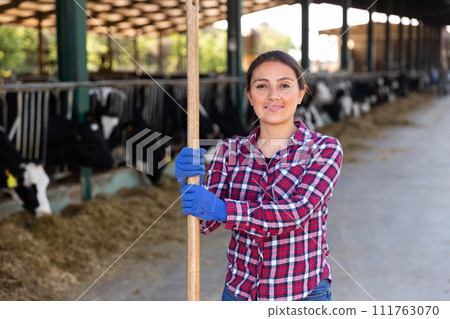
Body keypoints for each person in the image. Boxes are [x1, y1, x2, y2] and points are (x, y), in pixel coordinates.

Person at [175, 50, 343, 301]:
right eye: (261, 86)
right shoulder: (229, 150)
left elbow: (294, 212)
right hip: (239, 294)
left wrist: (223, 209)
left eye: (285, 85)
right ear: (249, 96)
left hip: (301, 293)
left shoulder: (324, 149)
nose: (273, 95)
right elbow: (206, 223)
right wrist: (193, 183)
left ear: (300, 94)